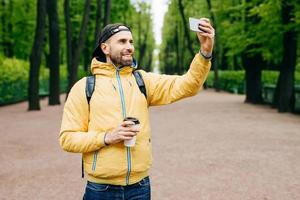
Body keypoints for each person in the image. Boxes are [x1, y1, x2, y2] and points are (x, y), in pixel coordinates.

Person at [59, 18, 215, 200]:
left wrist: (205, 53)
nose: (129, 47)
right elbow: (67, 138)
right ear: (105, 48)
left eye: (131, 42)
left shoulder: (143, 81)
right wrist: (107, 137)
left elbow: (188, 85)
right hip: (101, 189)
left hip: (140, 187)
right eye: (122, 41)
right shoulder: (85, 87)